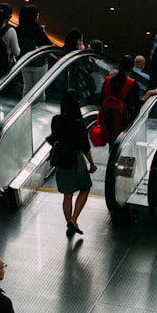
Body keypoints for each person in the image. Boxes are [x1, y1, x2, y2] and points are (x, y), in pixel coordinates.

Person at [50, 89, 98, 236]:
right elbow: (85, 147)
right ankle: (74, 219)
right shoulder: (78, 123)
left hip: (60, 161)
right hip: (75, 161)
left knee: (67, 195)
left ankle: (70, 225)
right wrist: (92, 163)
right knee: (85, 188)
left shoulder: (56, 120)